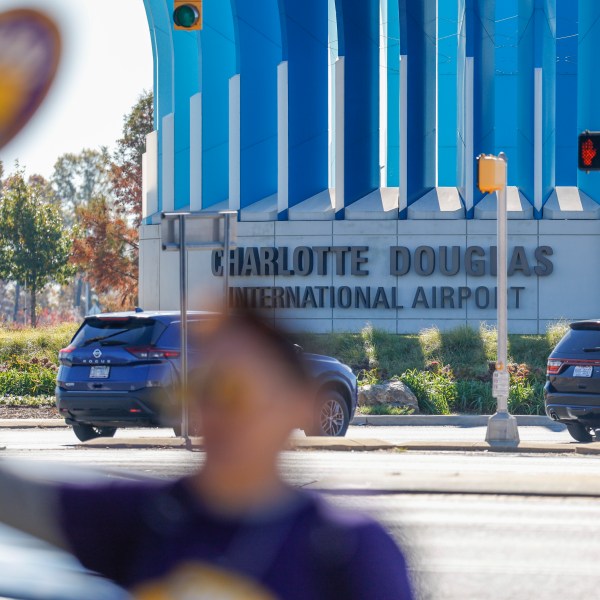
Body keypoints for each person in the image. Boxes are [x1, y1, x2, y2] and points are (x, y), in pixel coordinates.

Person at [0, 310, 414, 599]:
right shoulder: (149, 520)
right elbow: (18, 497)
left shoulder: (346, 550)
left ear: (296, 403)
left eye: (233, 390)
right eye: (199, 389)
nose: (214, 410)